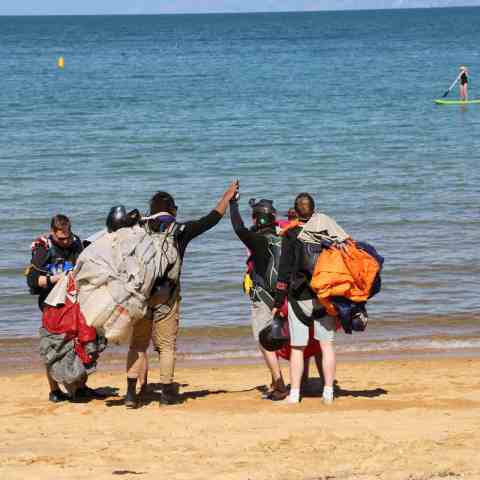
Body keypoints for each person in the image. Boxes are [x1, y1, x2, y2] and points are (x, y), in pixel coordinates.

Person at [124, 181, 239, 408]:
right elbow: (212, 219)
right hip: (168, 296)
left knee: (137, 345)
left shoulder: (138, 229)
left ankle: (130, 395)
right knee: (167, 346)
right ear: (173, 210)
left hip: (141, 296)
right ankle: (167, 394)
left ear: (151, 209)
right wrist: (227, 197)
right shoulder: (180, 231)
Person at [272, 193, 347, 405]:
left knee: (298, 347)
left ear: (295, 211)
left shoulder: (291, 233)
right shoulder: (327, 229)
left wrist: (278, 302)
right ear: (314, 210)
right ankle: (328, 391)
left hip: (299, 296)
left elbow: (284, 269)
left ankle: (295, 393)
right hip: (324, 295)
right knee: (327, 345)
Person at [27, 214, 98, 402]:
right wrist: (54, 279)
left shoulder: (76, 244)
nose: (65, 241)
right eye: (61, 238)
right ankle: (55, 390)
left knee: (79, 342)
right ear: (53, 233)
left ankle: (81, 387)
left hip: (74, 303)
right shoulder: (44, 249)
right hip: (50, 305)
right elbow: (32, 280)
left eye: (67, 236)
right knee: (52, 346)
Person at [230, 195, 288, 401]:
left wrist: (232, 204)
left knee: (264, 340)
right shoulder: (283, 236)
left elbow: (239, 228)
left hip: (263, 297)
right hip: (284, 296)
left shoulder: (257, 241)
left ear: (257, 219)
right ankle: (301, 381)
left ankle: (279, 384)